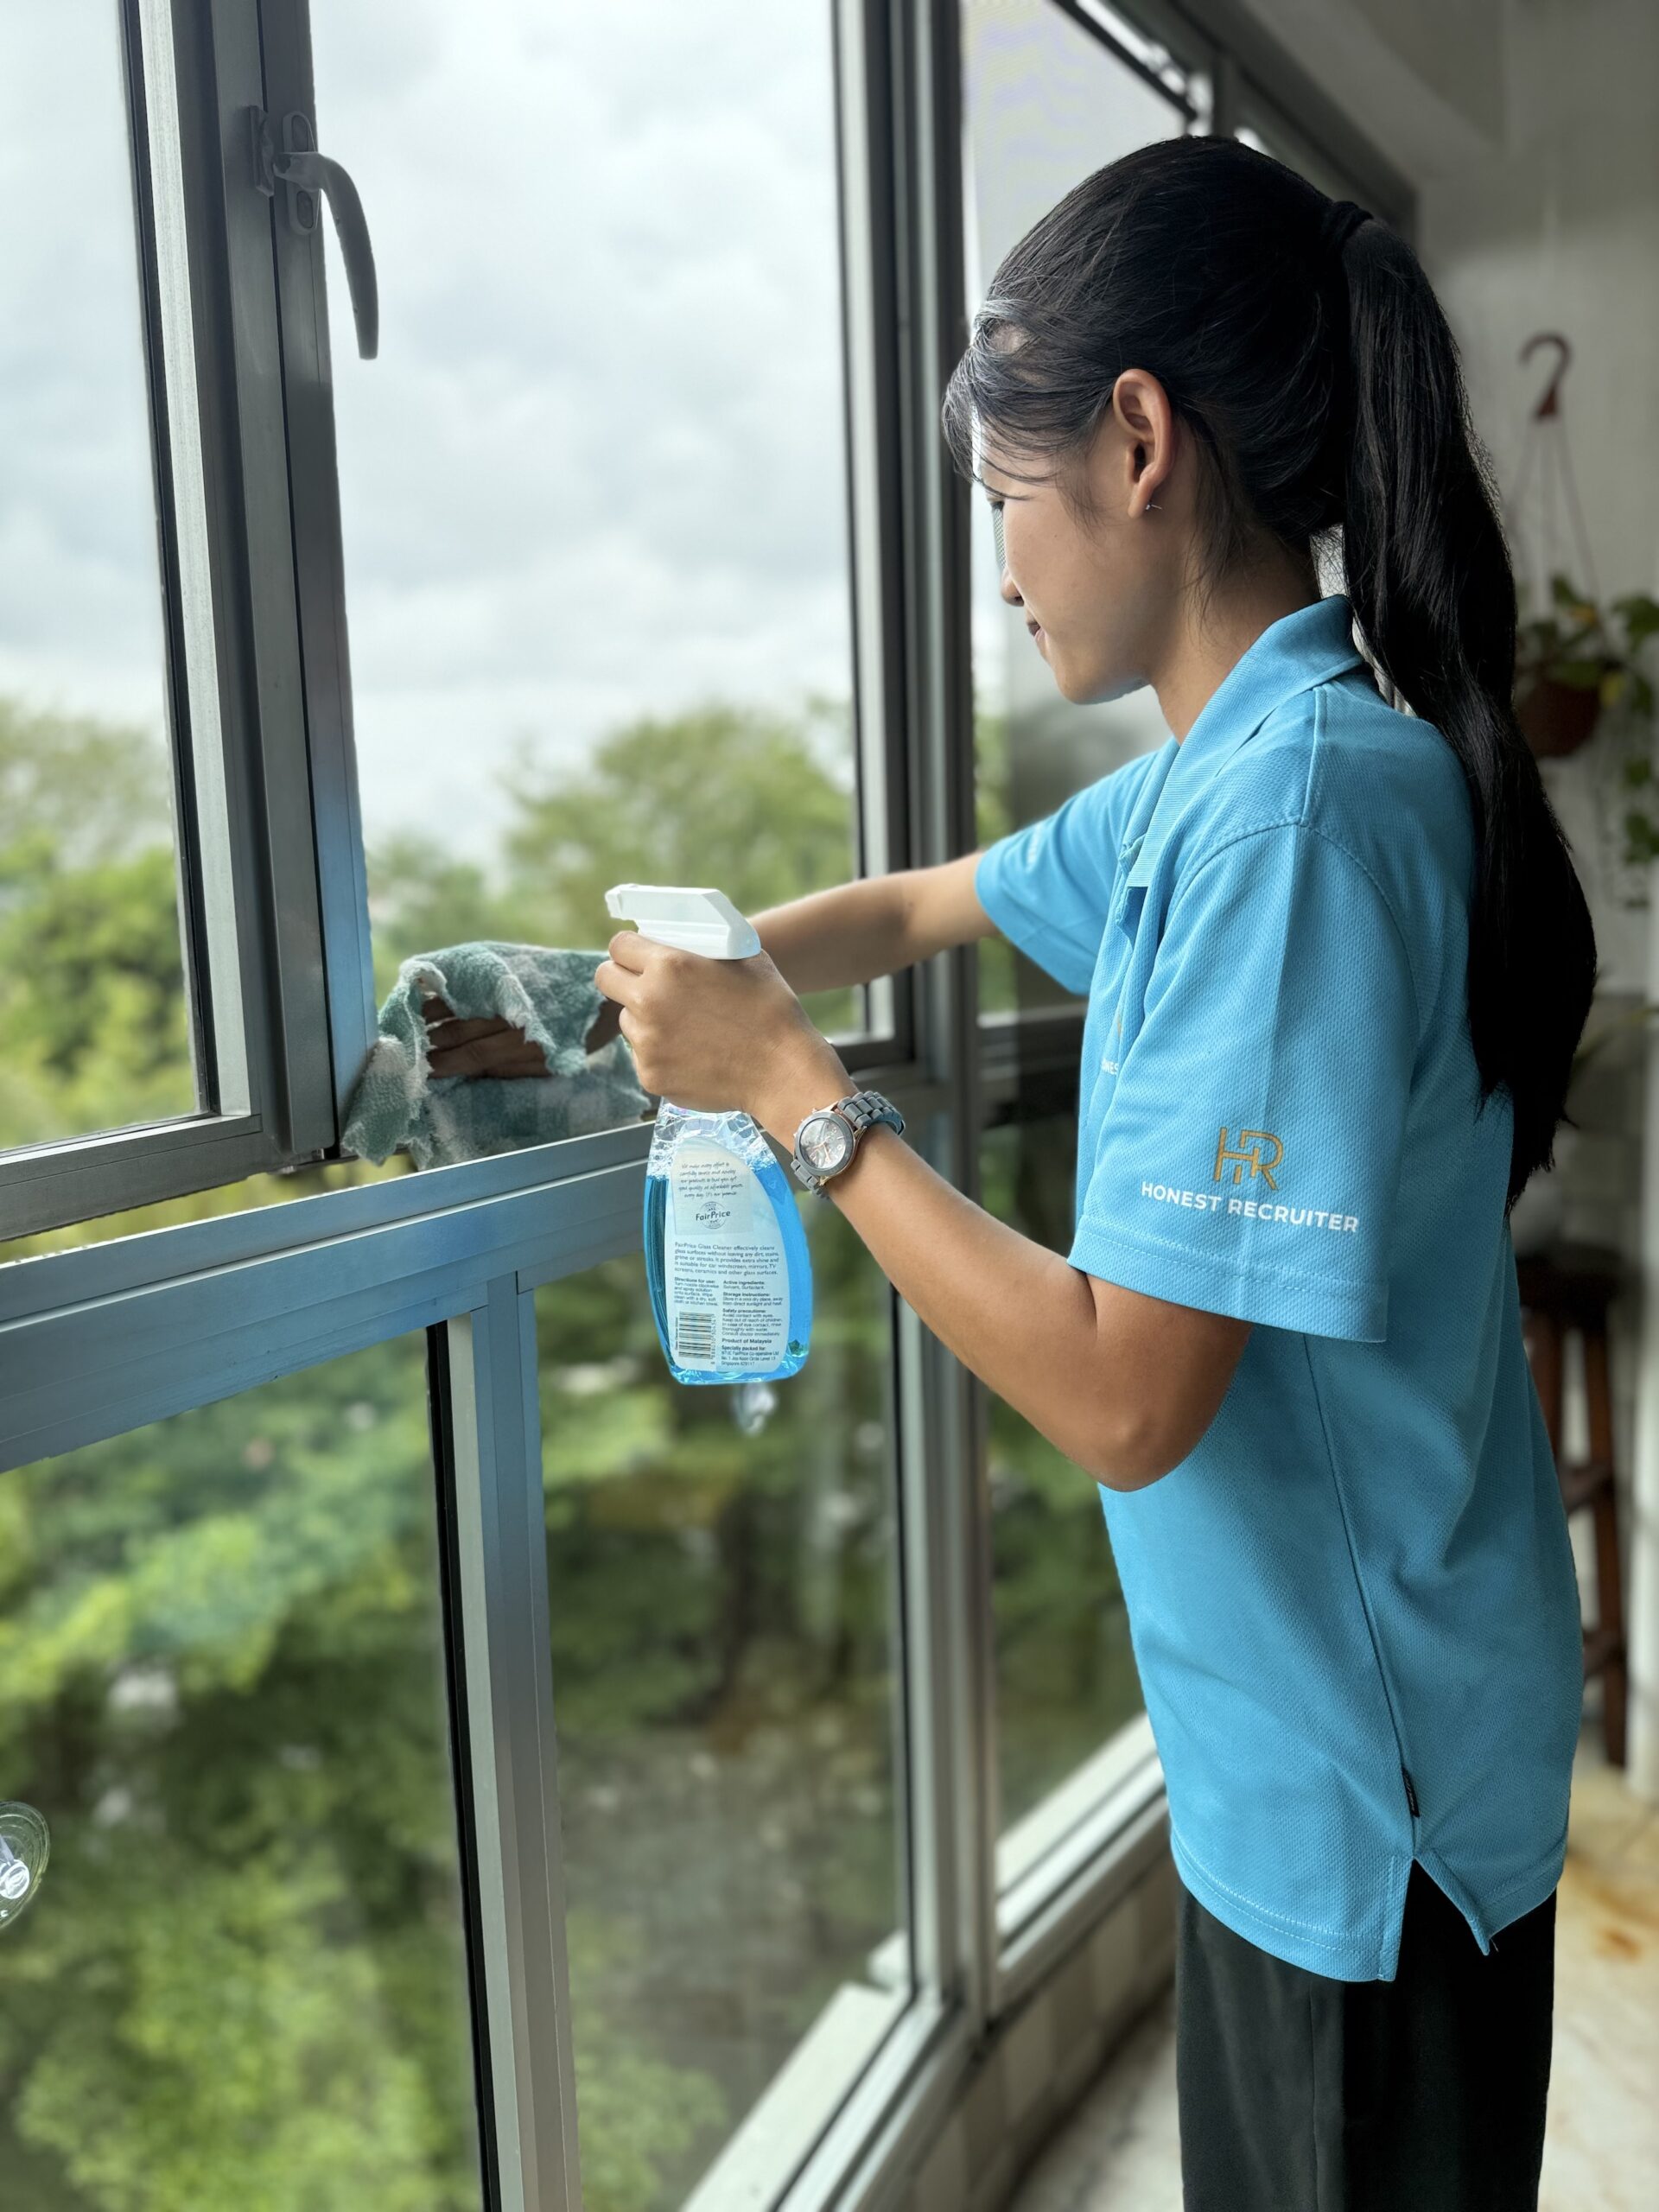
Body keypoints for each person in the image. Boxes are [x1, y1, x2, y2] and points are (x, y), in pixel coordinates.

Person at [427, 135, 1596, 2210]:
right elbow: (911, 900)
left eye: (1001, 499)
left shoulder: (1294, 818)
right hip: (1319, 1752)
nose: (1000, 563)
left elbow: (1127, 1396)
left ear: (1138, 440)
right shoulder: (1222, 777)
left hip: (1372, 1804)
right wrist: (618, 989)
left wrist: (796, 1096)